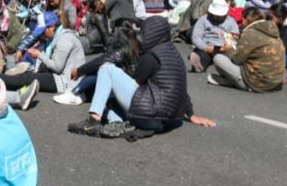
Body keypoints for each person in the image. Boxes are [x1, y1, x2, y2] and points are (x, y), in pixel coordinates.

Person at [68, 17, 216, 137]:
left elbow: (135, 85)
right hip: (165, 121)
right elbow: (179, 88)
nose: (140, 36)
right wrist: (191, 115)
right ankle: (117, 122)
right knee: (110, 100)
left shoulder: (151, 56)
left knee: (106, 69)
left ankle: (92, 122)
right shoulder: (174, 54)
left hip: (149, 117)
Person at [210, 7, 286, 92]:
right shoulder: (272, 31)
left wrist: (229, 48)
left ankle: (236, 81)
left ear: (244, 20)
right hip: (276, 83)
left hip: (257, 84)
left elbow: (236, 60)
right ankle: (232, 80)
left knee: (218, 58)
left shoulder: (250, 33)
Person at [189, 0, 239, 73]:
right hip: (207, 46)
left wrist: (228, 46)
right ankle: (199, 63)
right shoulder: (203, 20)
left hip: (224, 48)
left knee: (229, 58)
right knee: (201, 54)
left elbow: (235, 38)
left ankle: (227, 67)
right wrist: (206, 47)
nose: (218, 17)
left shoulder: (231, 21)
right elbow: (196, 37)